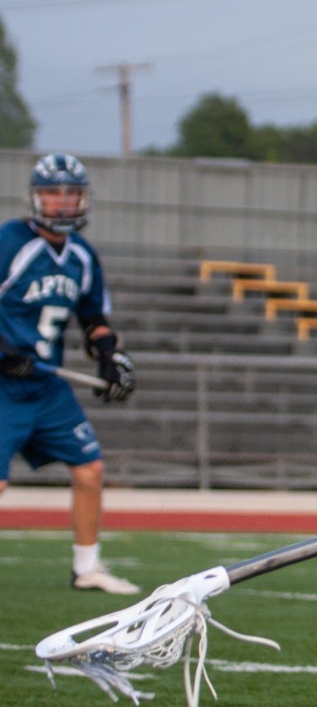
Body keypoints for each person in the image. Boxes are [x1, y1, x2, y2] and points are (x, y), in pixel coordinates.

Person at [0, 153, 138, 594]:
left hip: (46, 387)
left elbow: (93, 318)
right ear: (35, 198)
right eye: (52, 193)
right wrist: (4, 353)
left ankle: (87, 568)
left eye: (71, 193)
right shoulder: (10, 241)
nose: (62, 202)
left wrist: (109, 357)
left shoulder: (82, 255)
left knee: (89, 467)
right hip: (3, 386)